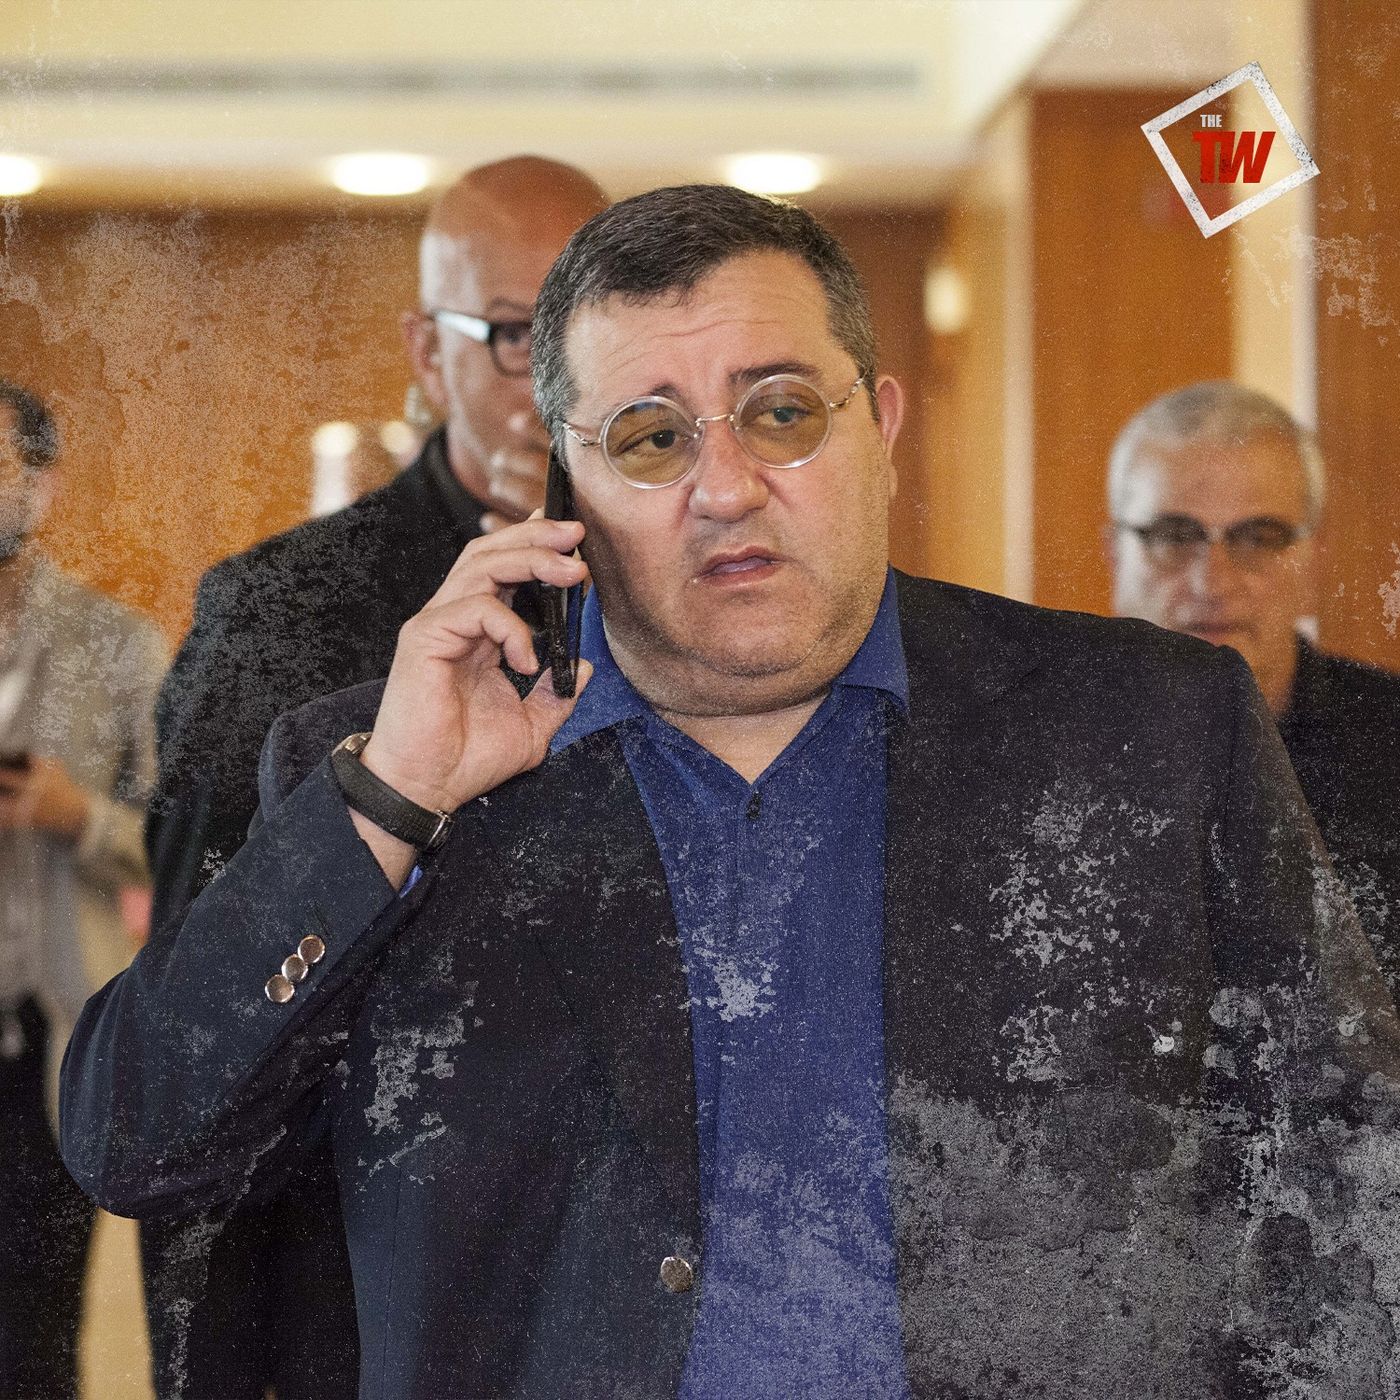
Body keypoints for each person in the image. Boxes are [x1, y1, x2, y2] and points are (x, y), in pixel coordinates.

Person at [66, 188, 1400, 1399]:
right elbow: (139, 1144)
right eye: (650, 437)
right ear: (566, 487)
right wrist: (392, 803)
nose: (725, 486)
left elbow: (1348, 1163)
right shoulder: (403, 768)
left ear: (880, 426)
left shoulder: (1147, 724)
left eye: (781, 412)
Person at [140, 156, 609, 1399]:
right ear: (426, 353)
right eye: (512, 335)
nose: (552, 384)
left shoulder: (688, 604)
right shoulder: (276, 612)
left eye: (586, 332)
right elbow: (197, 1031)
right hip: (352, 1303)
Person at [1107, 381, 1400, 989]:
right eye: (1175, 536)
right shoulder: (1030, 742)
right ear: (1114, 553)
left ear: (1314, 561)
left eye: (1258, 538)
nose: (1211, 582)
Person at [0, 379, 165, 1398]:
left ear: (42, 484)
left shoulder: (119, 646)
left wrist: (78, 817)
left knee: (35, 1336)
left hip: (59, 1037)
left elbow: (191, 847)